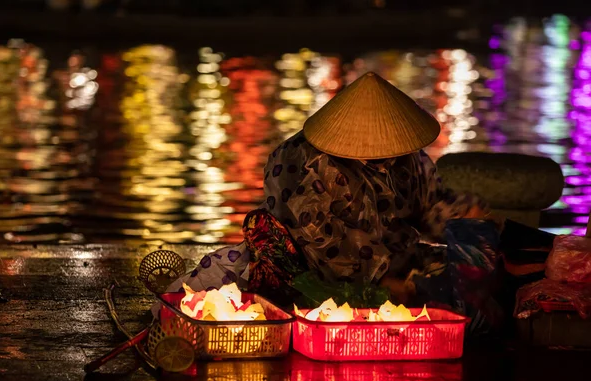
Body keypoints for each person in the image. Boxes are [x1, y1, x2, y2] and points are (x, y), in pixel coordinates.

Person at [170, 71, 513, 310]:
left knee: (488, 278)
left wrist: (465, 215)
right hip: (311, 270)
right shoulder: (303, 163)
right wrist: (378, 284)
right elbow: (317, 241)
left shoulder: (410, 160)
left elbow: (431, 206)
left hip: (397, 259)